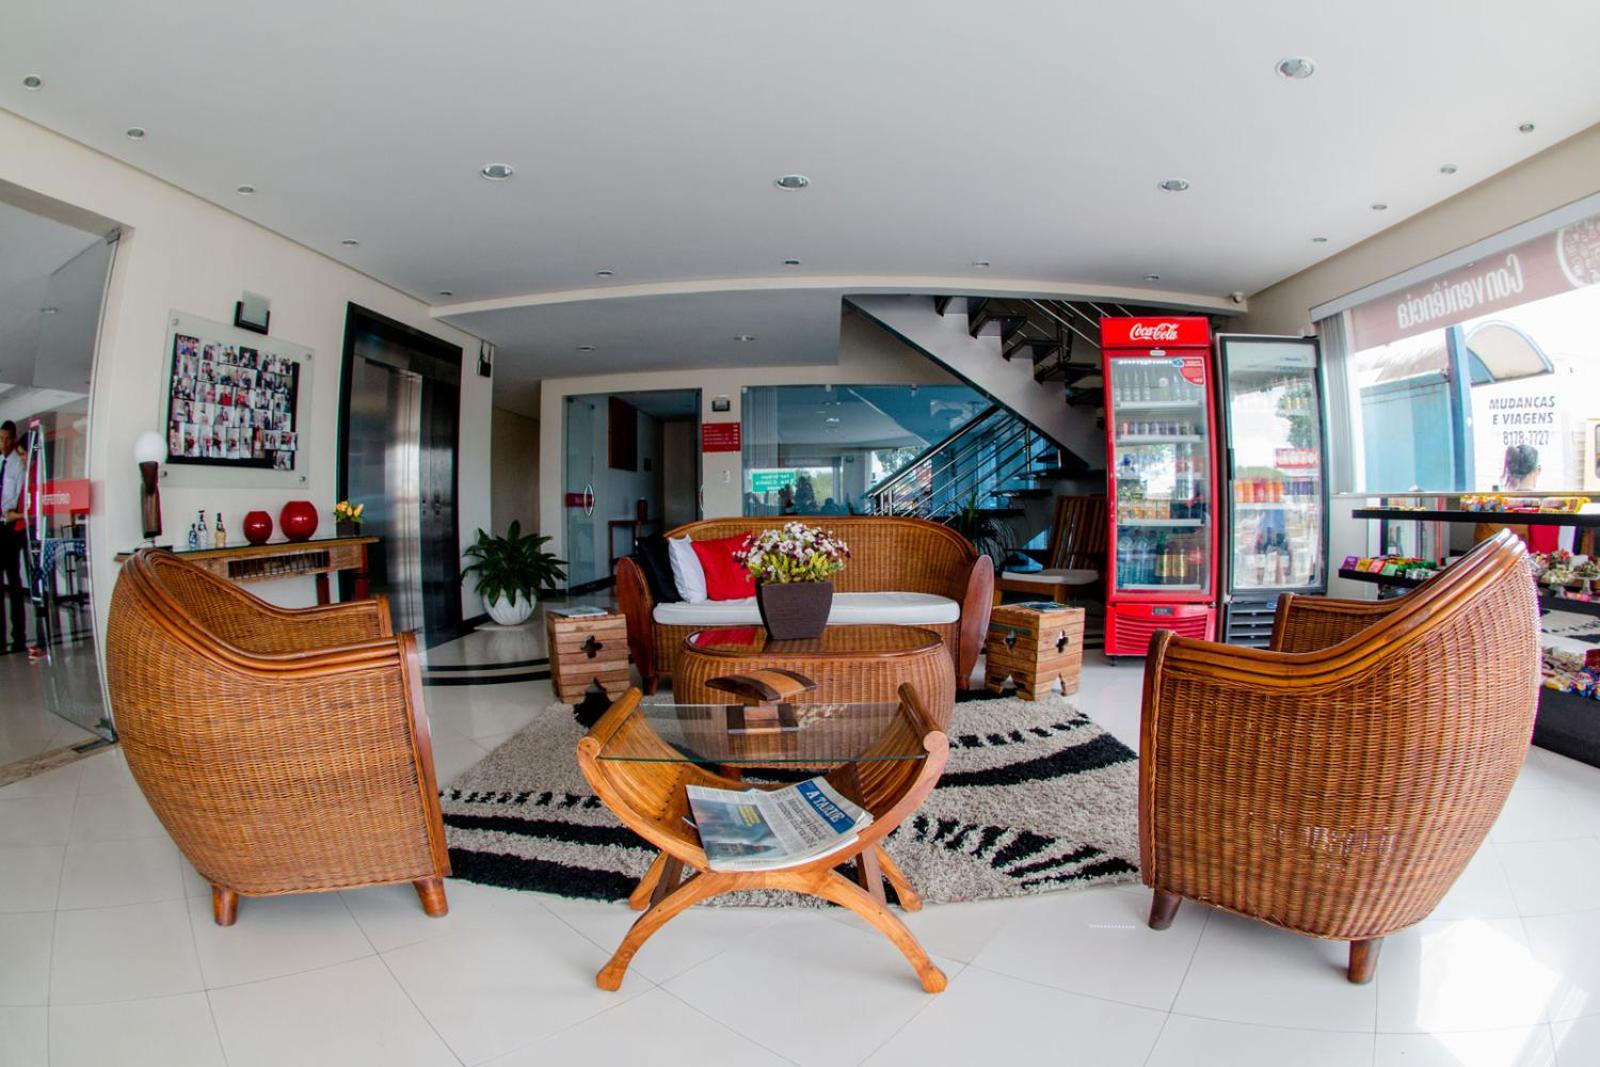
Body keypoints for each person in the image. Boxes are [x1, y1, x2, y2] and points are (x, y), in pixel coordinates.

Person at [0, 421, 28, 654]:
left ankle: (19, 636)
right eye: (1, 438)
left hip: (11, 529)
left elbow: (20, 498)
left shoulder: (19, 465)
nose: (4, 443)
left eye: (8, 438)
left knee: (14, 581)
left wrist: (13, 515)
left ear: (14, 438)